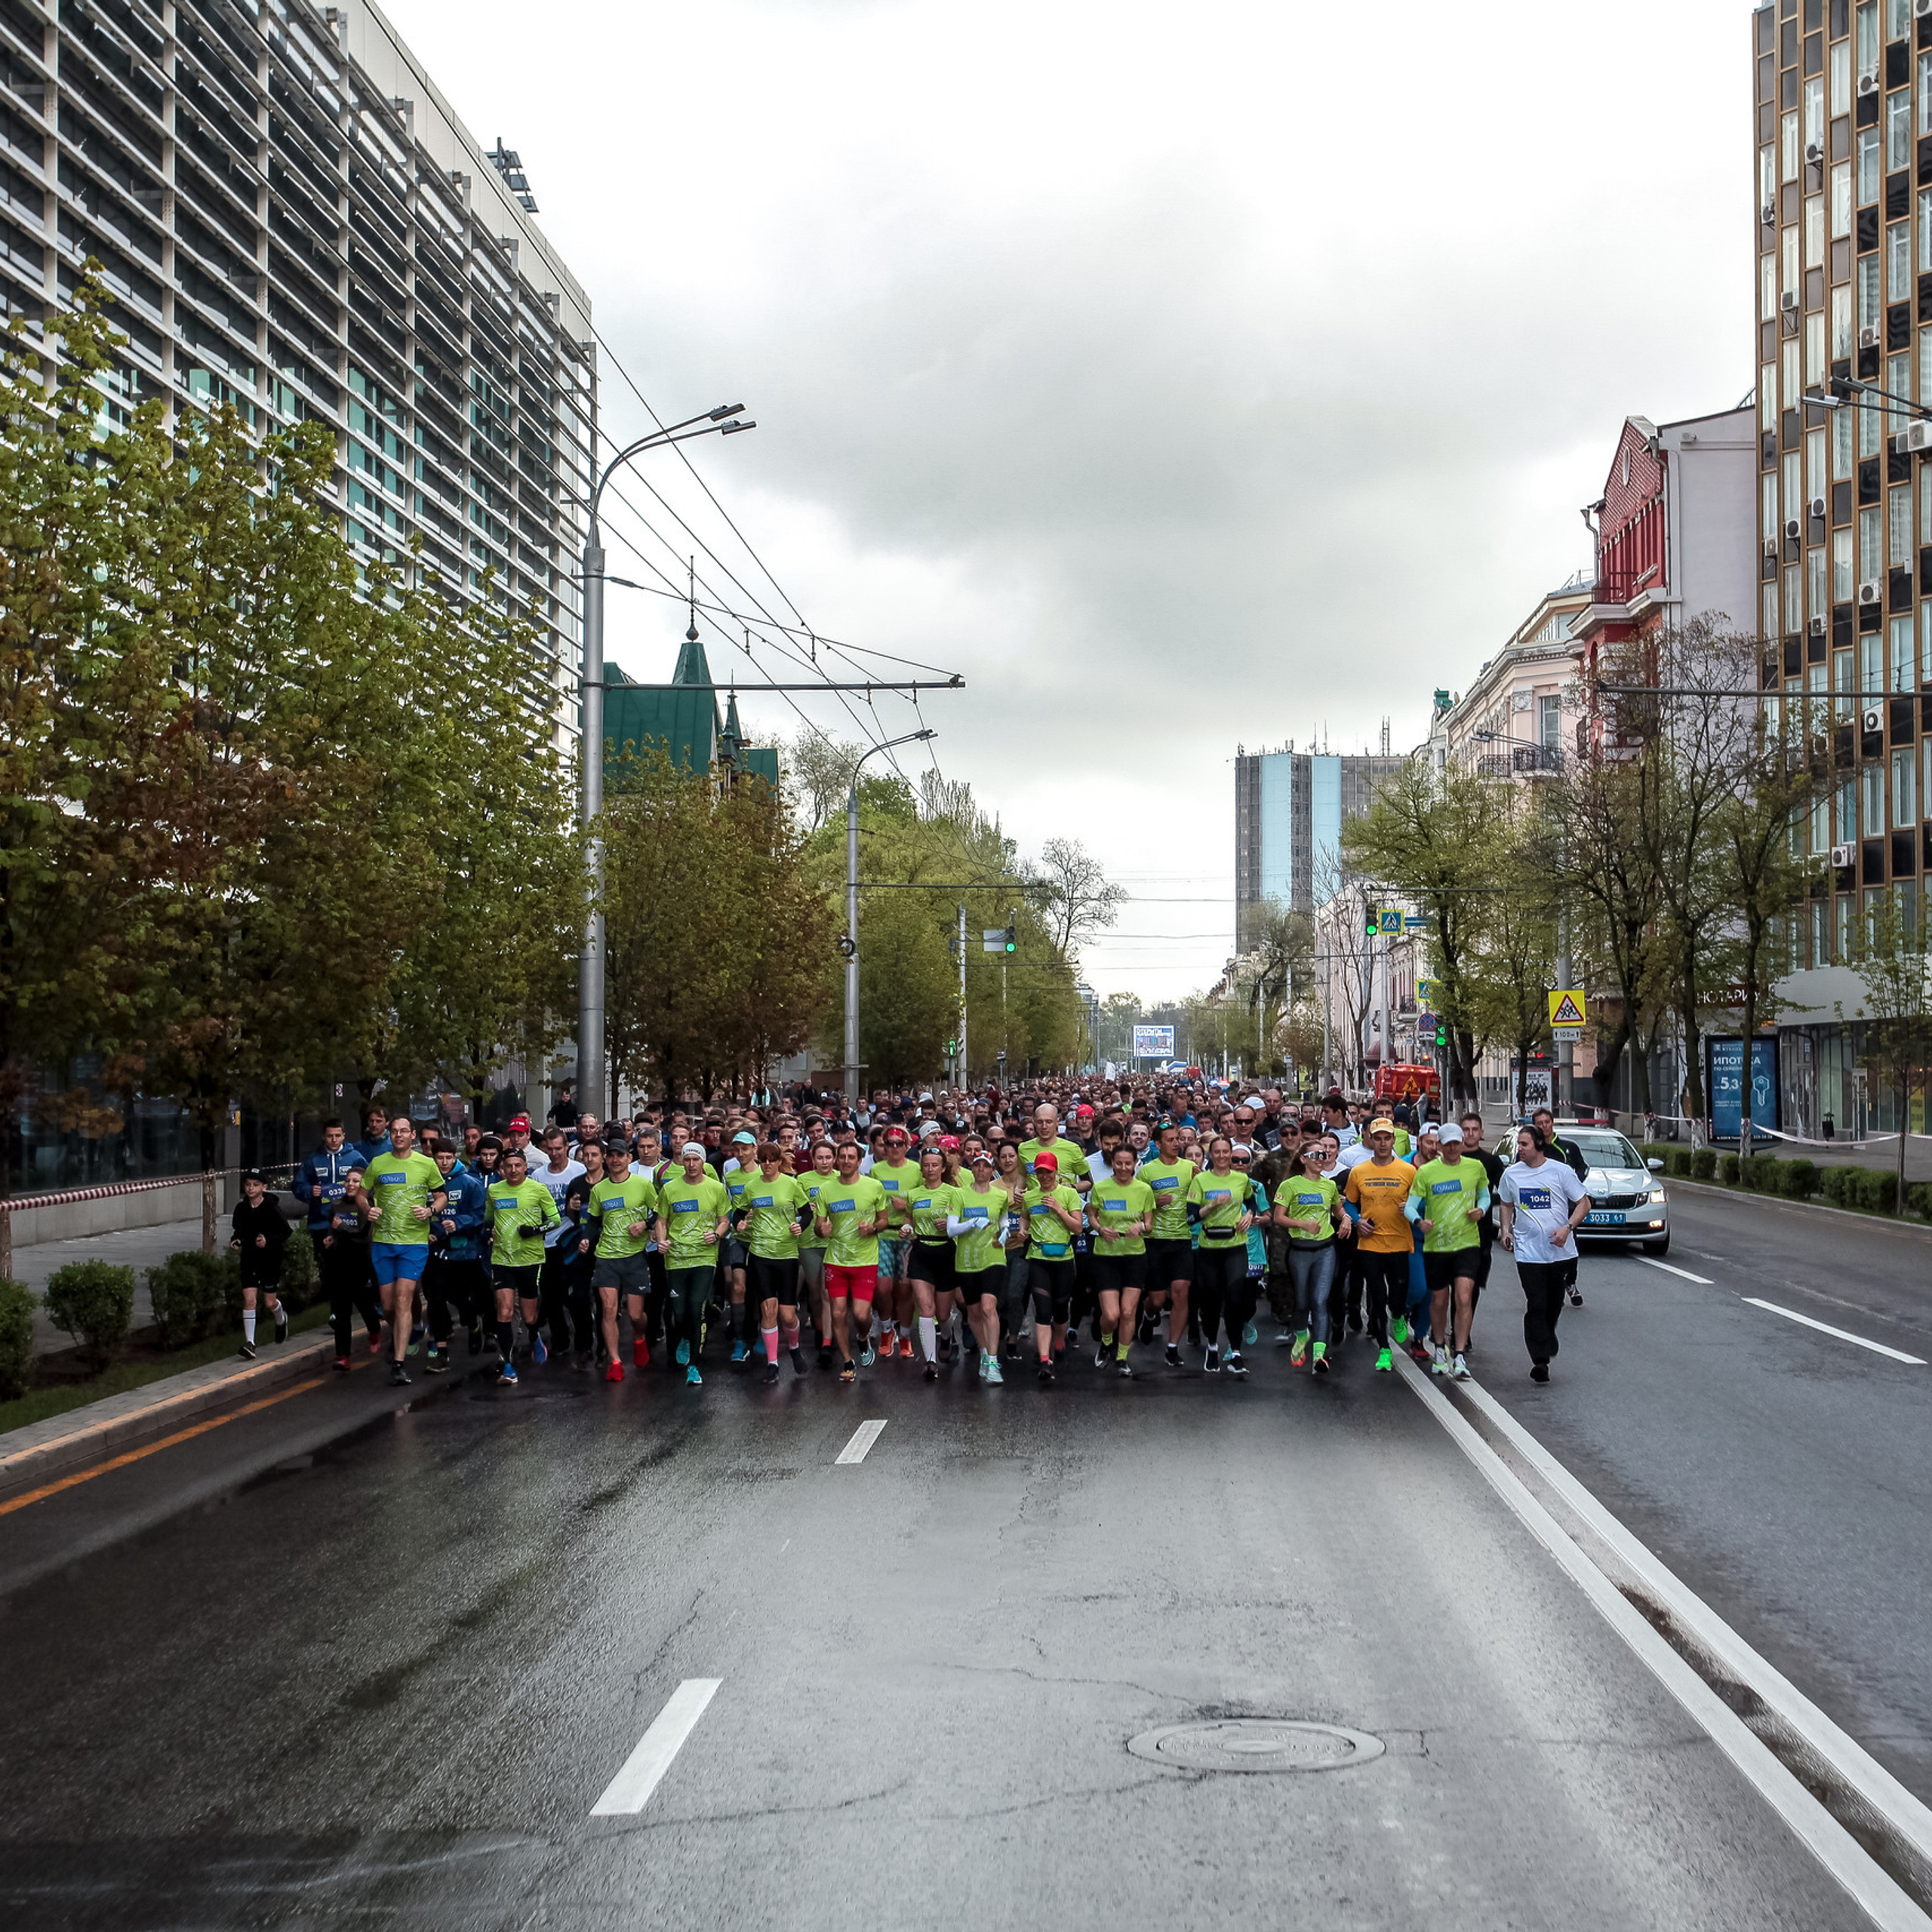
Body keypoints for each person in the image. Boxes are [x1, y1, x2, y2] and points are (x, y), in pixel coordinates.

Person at [353, 1116, 446, 1386]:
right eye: (394, 1131)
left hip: (414, 1243)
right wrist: (366, 1209)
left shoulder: (426, 1164)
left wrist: (430, 1210)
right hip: (383, 1242)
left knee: (405, 1298)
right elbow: (361, 1193)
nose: (398, 1135)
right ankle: (403, 1336)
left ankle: (399, 1363)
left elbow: (442, 1195)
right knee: (389, 1305)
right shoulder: (379, 1163)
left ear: (412, 1135)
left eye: (403, 1131)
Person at [1497, 1125, 1589, 1382]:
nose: (1520, 1149)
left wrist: (1568, 1228)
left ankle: (1547, 1335)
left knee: (1554, 1303)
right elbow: (1506, 1203)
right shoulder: (1511, 1175)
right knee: (1536, 1303)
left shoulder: (1561, 1172)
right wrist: (1506, 1230)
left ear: (1539, 1145)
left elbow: (1584, 1202)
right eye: (1519, 1144)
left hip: (1559, 1251)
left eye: (1524, 1144)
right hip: (1528, 1253)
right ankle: (1540, 1360)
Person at [1405, 1123, 1487, 1382]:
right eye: (1447, 1143)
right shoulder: (1427, 1172)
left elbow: (1485, 1196)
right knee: (1439, 1301)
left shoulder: (1475, 1168)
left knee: (1464, 1296)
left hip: (1467, 1243)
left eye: (1456, 1143)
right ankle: (1439, 1348)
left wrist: (1481, 1210)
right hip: (1436, 1246)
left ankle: (1459, 1354)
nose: (1453, 1148)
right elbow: (1410, 1206)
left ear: (1462, 1143)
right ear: (1439, 1146)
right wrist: (1419, 1222)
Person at [1340, 1117, 1415, 1374]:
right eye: (1378, 1138)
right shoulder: (1359, 1172)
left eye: (1387, 1138)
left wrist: (1413, 1208)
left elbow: (1421, 1202)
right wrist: (1358, 1220)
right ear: (1370, 1140)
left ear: (1393, 1140)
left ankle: (1398, 1314)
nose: (1383, 1144)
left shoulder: (1407, 1171)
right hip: (1370, 1244)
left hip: (1399, 1242)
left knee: (1397, 1296)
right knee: (1377, 1296)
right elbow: (1348, 1202)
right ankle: (1384, 1349)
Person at [654, 1142, 731, 1386]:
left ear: (703, 1162)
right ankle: (686, 1339)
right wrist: (662, 1239)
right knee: (679, 1313)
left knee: (696, 1307)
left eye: (696, 1160)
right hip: (676, 1257)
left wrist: (717, 1235)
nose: (691, 1164)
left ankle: (694, 1367)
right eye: (687, 1160)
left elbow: (724, 1220)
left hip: (704, 1257)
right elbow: (661, 1220)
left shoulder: (716, 1188)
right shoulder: (670, 1189)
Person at [483, 1146, 560, 1386]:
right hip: (502, 1259)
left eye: (518, 1165)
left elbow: (555, 1219)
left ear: (525, 1167)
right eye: (509, 1166)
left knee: (529, 1315)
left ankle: (534, 1334)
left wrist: (535, 1231)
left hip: (530, 1259)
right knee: (504, 1311)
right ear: (503, 1169)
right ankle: (508, 1366)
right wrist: (489, 1230)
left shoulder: (538, 1189)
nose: (514, 1170)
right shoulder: (495, 1190)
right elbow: (488, 1219)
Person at [813, 1140, 888, 1383]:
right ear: (837, 1160)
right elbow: (818, 1226)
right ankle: (847, 1360)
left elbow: (884, 1221)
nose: (846, 1161)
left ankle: (862, 1338)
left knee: (861, 1314)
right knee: (837, 1312)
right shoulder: (826, 1190)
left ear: (859, 1161)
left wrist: (873, 1228)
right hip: (836, 1259)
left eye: (850, 1157)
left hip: (865, 1259)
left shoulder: (874, 1187)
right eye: (842, 1157)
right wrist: (821, 1230)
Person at [585, 1138, 657, 1383]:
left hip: (635, 1256)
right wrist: (586, 1239)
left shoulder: (644, 1185)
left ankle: (639, 1339)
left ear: (629, 1158)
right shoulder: (599, 1190)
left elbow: (660, 1213)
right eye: (611, 1156)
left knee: (636, 1316)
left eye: (620, 1155)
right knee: (608, 1310)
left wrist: (645, 1224)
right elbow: (594, 1221)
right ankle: (615, 1362)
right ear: (606, 1159)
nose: (615, 1160)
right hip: (607, 1257)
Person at [1186, 1136, 1258, 1376]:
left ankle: (1236, 1353)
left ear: (1230, 1153)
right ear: (1210, 1155)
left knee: (1235, 1300)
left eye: (1225, 1152)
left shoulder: (1241, 1178)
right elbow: (1191, 1217)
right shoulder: (1200, 1180)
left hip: (1235, 1246)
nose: (1222, 1156)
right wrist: (1213, 1205)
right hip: (1209, 1248)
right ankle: (1213, 1347)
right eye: (1217, 1152)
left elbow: (1251, 1202)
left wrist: (1249, 1215)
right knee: (1211, 1301)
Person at [1275, 1139, 1348, 1374]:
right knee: (1302, 1303)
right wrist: (1303, 1224)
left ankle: (1319, 1355)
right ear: (1303, 1159)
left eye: (1323, 1155)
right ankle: (1300, 1336)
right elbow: (1279, 1217)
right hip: (1300, 1250)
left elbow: (1338, 1209)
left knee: (1319, 1301)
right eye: (1315, 1155)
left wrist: (1346, 1218)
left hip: (1325, 1249)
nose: (1320, 1159)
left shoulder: (1329, 1186)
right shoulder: (1290, 1185)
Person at [740, 1141, 811, 1385]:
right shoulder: (751, 1187)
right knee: (768, 1309)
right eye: (763, 1160)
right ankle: (773, 1364)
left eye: (772, 1159)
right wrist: (740, 1222)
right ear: (758, 1162)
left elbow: (807, 1212)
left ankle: (794, 1347)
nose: (768, 1164)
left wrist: (799, 1225)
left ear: (780, 1161)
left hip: (787, 1254)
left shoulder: (791, 1185)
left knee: (788, 1315)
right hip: (760, 1254)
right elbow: (739, 1211)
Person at [1087, 1142, 1152, 1375]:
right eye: (1119, 1163)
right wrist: (1100, 1229)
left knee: (1127, 1312)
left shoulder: (1144, 1190)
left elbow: (1150, 1224)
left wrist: (1140, 1226)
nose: (1123, 1168)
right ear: (1112, 1164)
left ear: (1135, 1164)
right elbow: (1092, 1215)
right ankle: (1106, 1342)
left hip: (1134, 1256)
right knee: (1111, 1315)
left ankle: (1122, 1357)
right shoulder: (1101, 1188)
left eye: (1128, 1163)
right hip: (1106, 1255)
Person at [423, 1140, 488, 1374]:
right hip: (435, 1252)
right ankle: (441, 1353)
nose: (444, 1162)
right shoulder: (426, 1182)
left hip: (464, 1251)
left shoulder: (470, 1183)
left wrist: (458, 1223)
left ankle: (472, 1322)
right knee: (436, 1299)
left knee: (462, 1296)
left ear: (455, 1157)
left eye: (449, 1158)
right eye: (440, 1158)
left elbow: (480, 1214)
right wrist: (430, 1232)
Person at [1019, 1150, 1083, 1384]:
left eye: (1048, 1172)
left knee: (1060, 1308)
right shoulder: (1030, 1197)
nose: (1044, 1176)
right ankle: (1045, 1360)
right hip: (1039, 1258)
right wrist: (1023, 1228)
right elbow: (1025, 1216)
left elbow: (1077, 1228)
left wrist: (1058, 1208)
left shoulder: (1069, 1194)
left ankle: (1059, 1342)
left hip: (1064, 1259)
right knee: (1043, 1311)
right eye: (1040, 1172)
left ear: (1056, 1172)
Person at [1138, 1121, 1198, 1367]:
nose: (1177, 1144)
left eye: (1178, 1139)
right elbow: (1137, 1205)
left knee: (1181, 1292)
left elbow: (1201, 1193)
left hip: (1183, 1239)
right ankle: (1149, 1314)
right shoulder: (1147, 1172)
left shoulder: (1191, 1168)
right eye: (1171, 1140)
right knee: (1158, 1299)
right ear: (1158, 1144)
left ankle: (1173, 1347)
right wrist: (1153, 1201)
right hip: (1155, 1241)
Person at [527, 1128, 587, 1364]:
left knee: (576, 1296)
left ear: (566, 1148)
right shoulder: (539, 1176)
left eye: (558, 1149)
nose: (554, 1154)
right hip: (547, 1242)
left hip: (572, 1239)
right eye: (549, 1149)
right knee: (550, 1296)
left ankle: (583, 1343)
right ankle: (560, 1341)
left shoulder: (578, 1170)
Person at [902, 1146, 958, 1380]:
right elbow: (908, 1220)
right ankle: (930, 1361)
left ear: (943, 1168)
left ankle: (947, 1336)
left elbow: (960, 1221)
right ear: (921, 1168)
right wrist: (906, 1230)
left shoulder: (953, 1193)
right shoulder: (914, 1195)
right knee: (926, 1308)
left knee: (943, 1314)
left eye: (935, 1165)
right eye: (926, 1165)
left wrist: (950, 1225)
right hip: (921, 1250)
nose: (930, 1169)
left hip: (946, 1251)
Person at [1531, 1106, 1591, 1307]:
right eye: (1539, 1124)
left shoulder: (1568, 1147)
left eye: (1547, 1122)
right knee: (1542, 1248)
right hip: (1539, 1208)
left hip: (1566, 1208)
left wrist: (1573, 1184)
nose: (1544, 1126)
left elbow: (1583, 1168)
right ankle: (1546, 1287)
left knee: (1570, 1246)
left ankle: (1571, 1282)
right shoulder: (1531, 1149)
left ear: (1552, 1123)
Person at [869, 1125, 920, 1359]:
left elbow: (926, 1199)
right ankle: (887, 1330)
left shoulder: (917, 1170)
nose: (895, 1147)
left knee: (905, 1289)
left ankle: (906, 1336)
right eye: (890, 1143)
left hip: (908, 1235)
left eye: (900, 1143)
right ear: (884, 1147)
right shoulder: (877, 1170)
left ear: (907, 1146)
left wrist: (907, 1204)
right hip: (884, 1235)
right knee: (883, 1287)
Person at [229, 1171, 288, 1359]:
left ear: (264, 1187)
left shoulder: (272, 1208)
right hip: (249, 1258)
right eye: (248, 1185)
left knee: (269, 1302)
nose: (251, 1188)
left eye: (255, 1185)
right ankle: (250, 1343)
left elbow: (286, 1232)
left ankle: (281, 1318)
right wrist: (236, 1240)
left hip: (270, 1259)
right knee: (249, 1300)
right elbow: (238, 1231)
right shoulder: (241, 1209)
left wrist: (268, 1240)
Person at [796, 1137, 838, 1367]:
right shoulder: (802, 1180)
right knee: (814, 1293)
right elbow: (794, 1208)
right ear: (813, 1160)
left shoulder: (840, 1179)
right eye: (820, 1158)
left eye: (828, 1157)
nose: (824, 1162)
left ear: (834, 1159)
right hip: (809, 1242)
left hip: (833, 1243)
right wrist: (804, 1209)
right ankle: (820, 1328)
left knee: (826, 1292)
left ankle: (826, 1340)